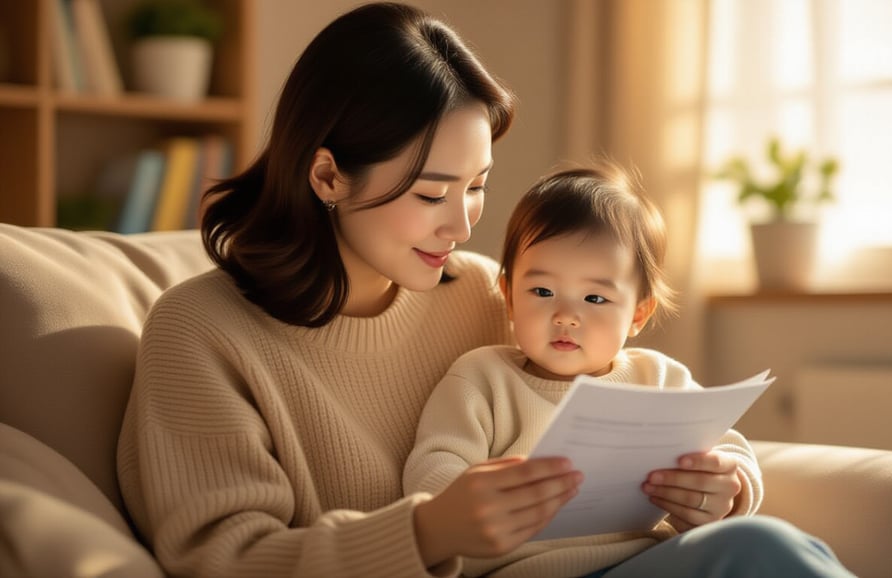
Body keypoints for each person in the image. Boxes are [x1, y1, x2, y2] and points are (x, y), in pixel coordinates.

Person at [116, 3, 585, 577]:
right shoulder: (200, 332)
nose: (461, 227)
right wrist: (428, 531)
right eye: (432, 195)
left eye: (477, 186)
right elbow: (226, 560)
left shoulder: (486, 295)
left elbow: (625, 400)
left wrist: (719, 480)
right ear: (327, 176)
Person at [404, 162, 856, 578]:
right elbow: (432, 469)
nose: (565, 315)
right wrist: (477, 497)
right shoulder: (482, 377)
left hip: (646, 563)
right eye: (541, 291)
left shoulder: (658, 378)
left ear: (638, 315)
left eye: (595, 299)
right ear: (507, 294)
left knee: (769, 543)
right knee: (759, 545)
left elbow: (729, 450)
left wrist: (726, 490)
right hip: (525, 572)